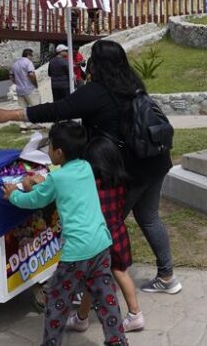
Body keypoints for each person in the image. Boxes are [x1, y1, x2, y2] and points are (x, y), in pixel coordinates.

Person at [0, 39, 180, 295]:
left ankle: (86, 285)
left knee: (103, 225)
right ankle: (166, 276)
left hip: (129, 168)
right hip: (155, 160)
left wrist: (10, 115)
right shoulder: (133, 85)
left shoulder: (98, 91)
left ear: (97, 64)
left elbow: (57, 109)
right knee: (149, 217)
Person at [3, 122, 128, 346]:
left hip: (76, 252)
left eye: (50, 146)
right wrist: (43, 182)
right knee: (106, 298)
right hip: (100, 244)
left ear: (59, 152)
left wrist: (13, 195)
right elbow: (59, 184)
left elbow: (34, 200)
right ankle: (117, 340)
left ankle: (51, 343)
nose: (48, 150)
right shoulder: (86, 167)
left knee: (57, 300)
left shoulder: (57, 179)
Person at [65, 137, 144, 334]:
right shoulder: (120, 181)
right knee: (118, 273)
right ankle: (132, 315)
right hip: (118, 233)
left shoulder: (92, 186)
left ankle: (84, 319)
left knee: (93, 278)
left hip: (98, 238)